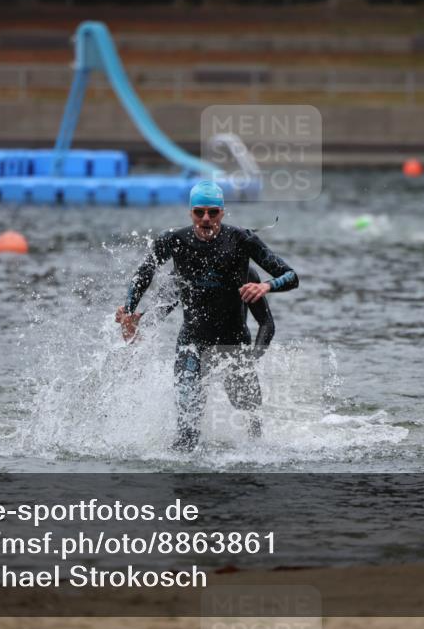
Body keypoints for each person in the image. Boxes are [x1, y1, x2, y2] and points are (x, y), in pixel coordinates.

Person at [115, 181, 298, 452]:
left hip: (233, 346)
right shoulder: (175, 242)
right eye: (199, 212)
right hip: (192, 344)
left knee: (252, 424)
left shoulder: (242, 242)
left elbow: (291, 276)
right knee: (187, 426)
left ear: (222, 213)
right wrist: (131, 312)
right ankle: (185, 481)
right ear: (190, 213)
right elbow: (148, 276)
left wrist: (266, 287)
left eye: (213, 212)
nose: (206, 219)